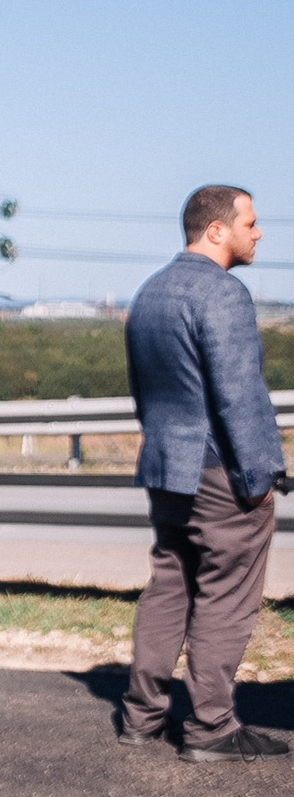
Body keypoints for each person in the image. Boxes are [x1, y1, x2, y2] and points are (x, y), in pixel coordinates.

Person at [119, 185, 288, 761]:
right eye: (251, 222)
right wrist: (262, 475)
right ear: (216, 229)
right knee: (226, 596)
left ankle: (142, 716)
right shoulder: (223, 293)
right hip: (219, 470)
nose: (258, 233)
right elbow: (240, 395)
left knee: (170, 587)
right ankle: (212, 727)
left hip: (168, 467)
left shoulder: (151, 292)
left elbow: (145, 390)